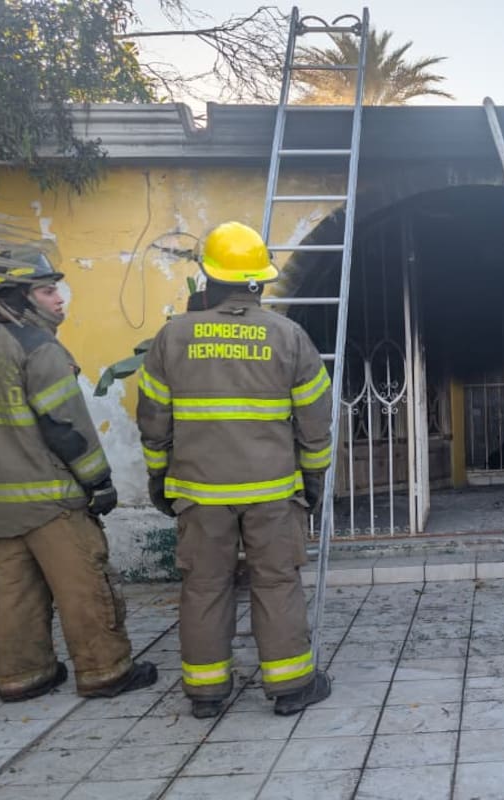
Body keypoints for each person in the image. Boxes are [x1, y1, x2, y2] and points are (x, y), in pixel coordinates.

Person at [136, 221, 333, 719]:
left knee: (204, 586)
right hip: (273, 492)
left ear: (209, 277)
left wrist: (159, 479)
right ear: (258, 283)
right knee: (276, 583)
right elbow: (315, 422)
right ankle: (291, 687)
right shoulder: (288, 337)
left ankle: (206, 693)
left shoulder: (172, 337)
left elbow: (153, 421)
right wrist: (313, 480)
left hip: (200, 492)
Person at [0, 249, 158, 702]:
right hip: (49, 501)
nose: (59, 299)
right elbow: (65, 426)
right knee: (84, 585)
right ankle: (106, 670)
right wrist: (99, 482)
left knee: (15, 594)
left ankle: (23, 676)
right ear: (17, 298)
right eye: (47, 291)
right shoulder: (37, 347)